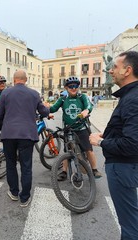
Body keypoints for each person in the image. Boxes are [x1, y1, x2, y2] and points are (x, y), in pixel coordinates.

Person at [89, 51, 138, 240]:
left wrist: (101, 141)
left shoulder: (132, 99)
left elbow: (132, 144)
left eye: (115, 67)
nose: (110, 71)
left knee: (129, 224)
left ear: (128, 70)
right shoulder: (131, 95)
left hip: (122, 167)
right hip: (125, 166)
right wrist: (108, 134)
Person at [0, 70, 49, 207]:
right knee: (26, 166)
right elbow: (43, 112)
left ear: (14, 80)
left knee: (11, 164)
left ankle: (13, 192)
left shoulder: (5, 93)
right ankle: (24, 198)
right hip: (27, 135)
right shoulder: (34, 94)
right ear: (26, 80)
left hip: (9, 134)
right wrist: (47, 108)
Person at [46, 76, 102, 180]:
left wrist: (86, 111)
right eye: (71, 86)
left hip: (82, 128)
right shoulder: (63, 99)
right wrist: (45, 107)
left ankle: (94, 169)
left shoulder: (82, 97)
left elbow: (89, 106)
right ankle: (64, 172)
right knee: (68, 151)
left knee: (88, 149)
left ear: (78, 87)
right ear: (66, 88)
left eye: (75, 86)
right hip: (69, 129)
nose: (73, 88)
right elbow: (53, 108)